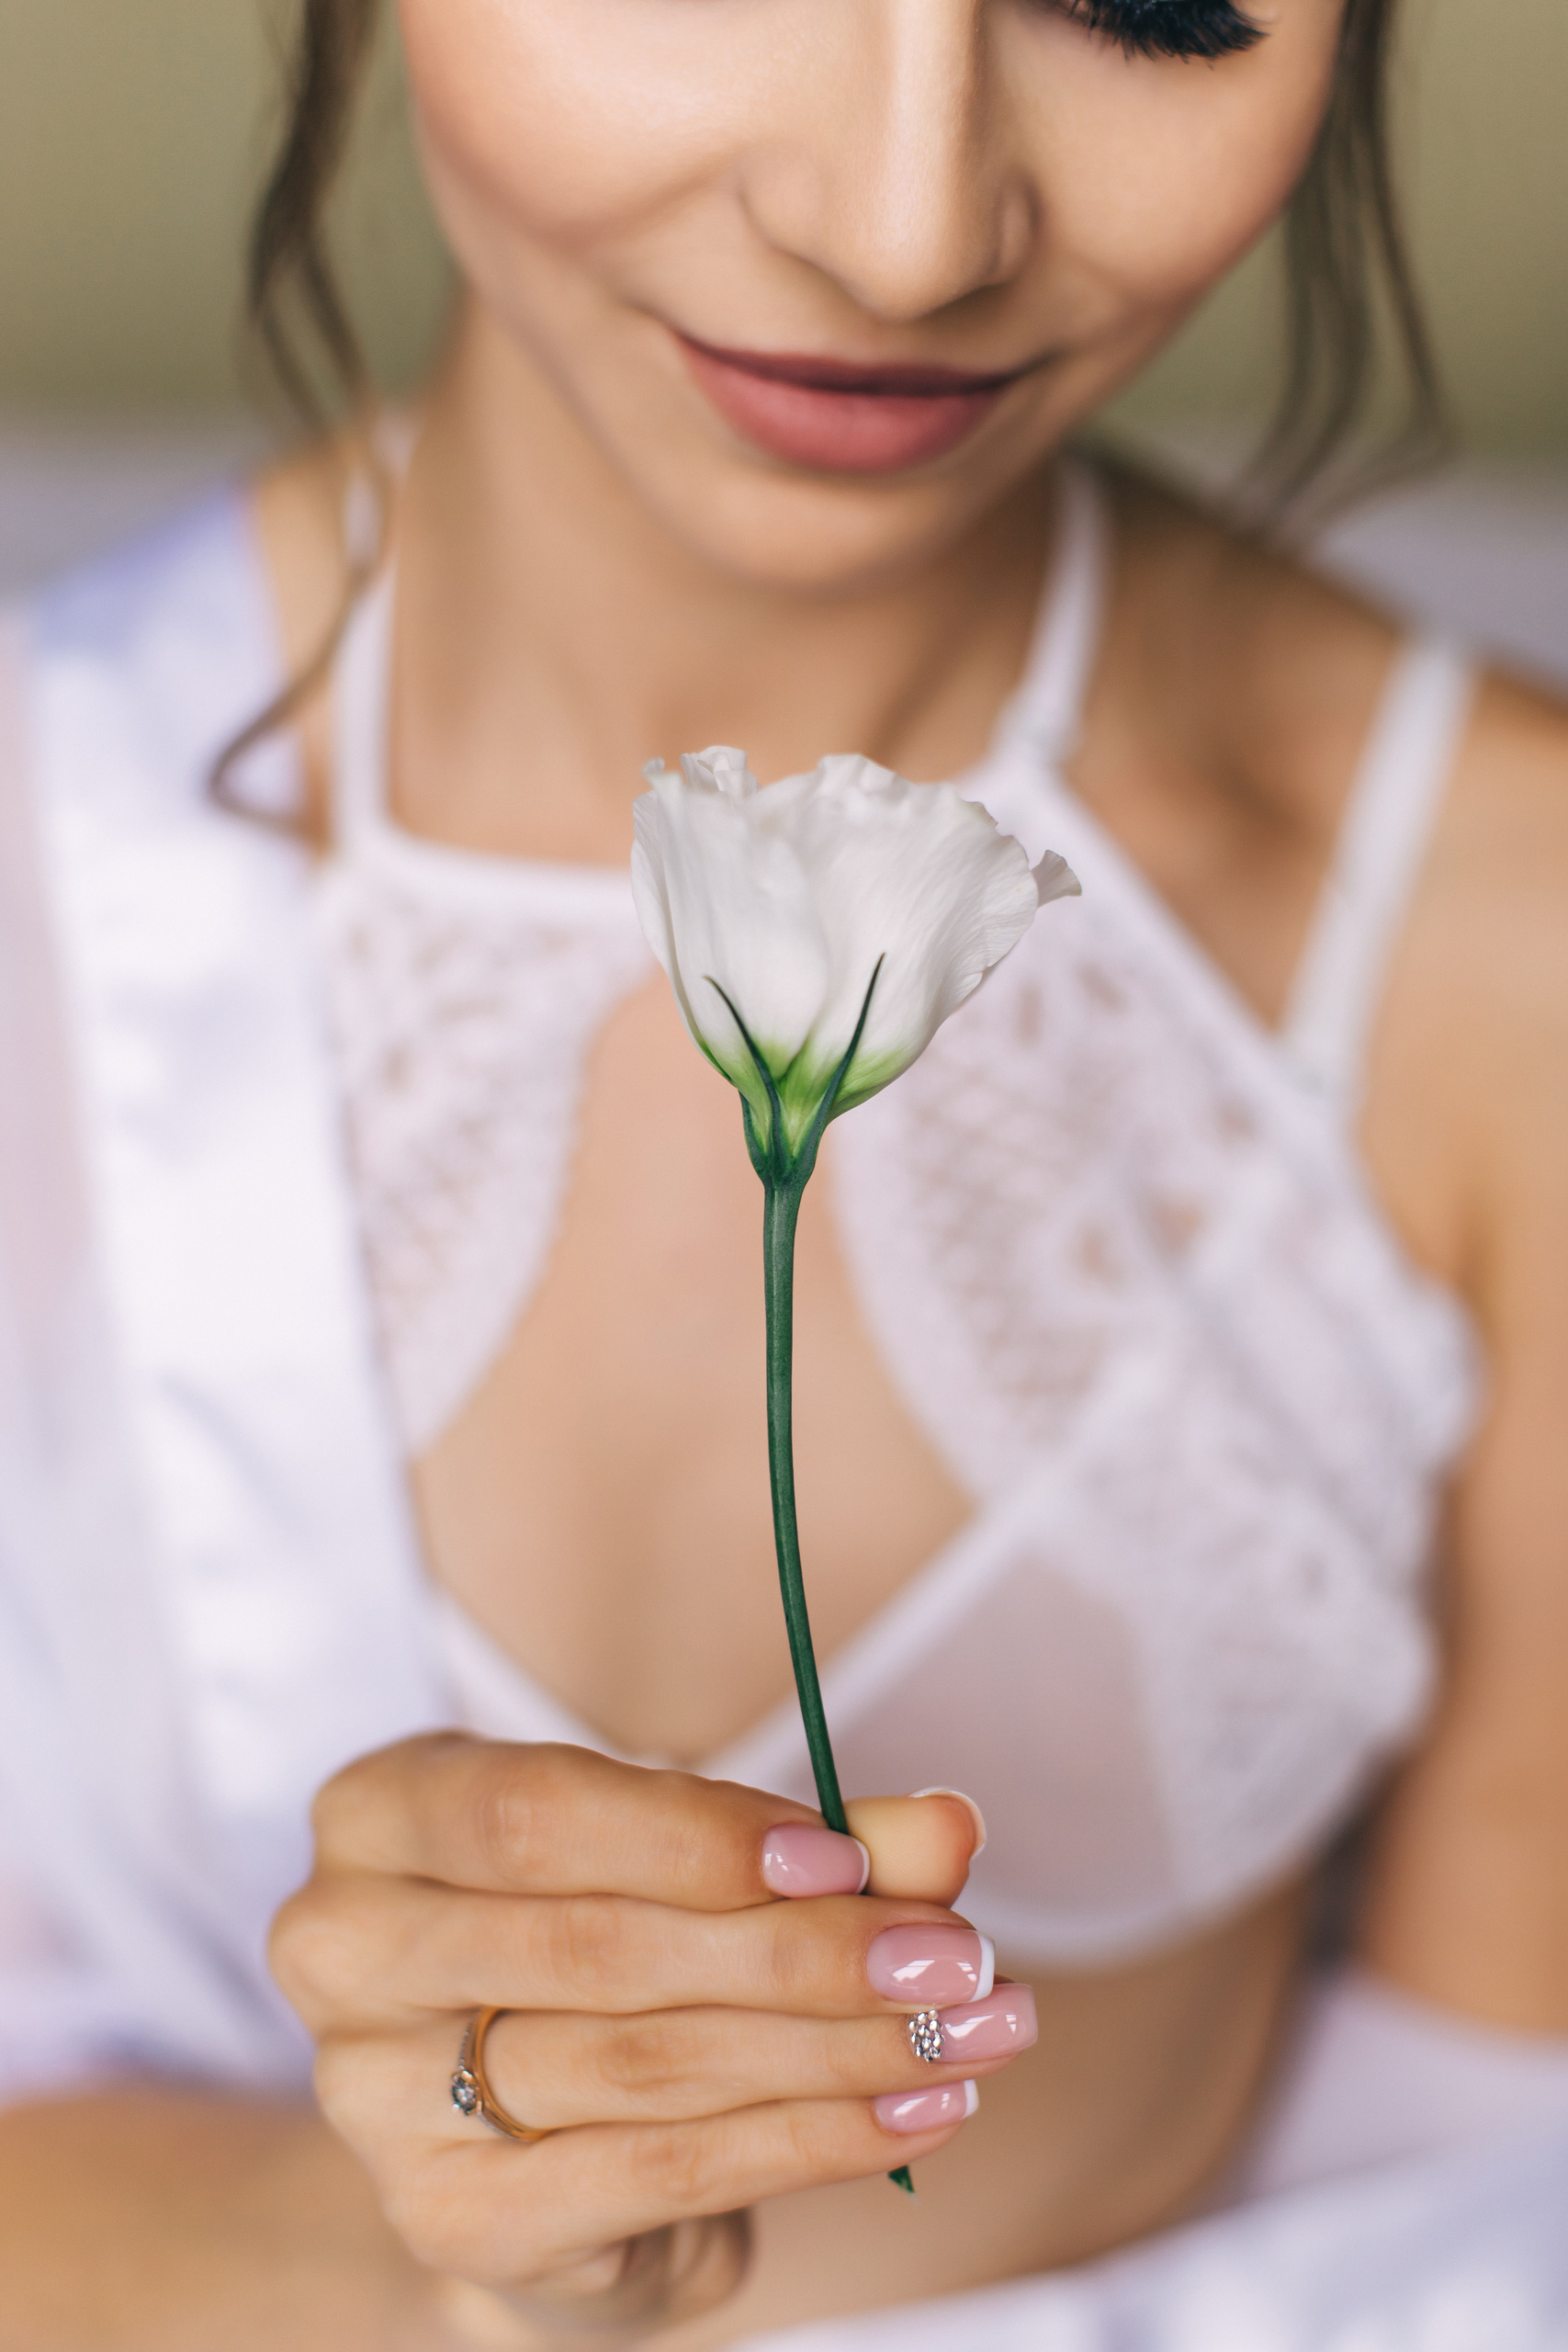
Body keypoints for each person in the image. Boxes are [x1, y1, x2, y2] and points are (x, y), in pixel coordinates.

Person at [2, 0, 1567, 2344]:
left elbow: (1475, 2192)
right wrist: (471, 2280)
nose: (905, 232)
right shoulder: (59, 866)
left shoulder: (1499, 953)